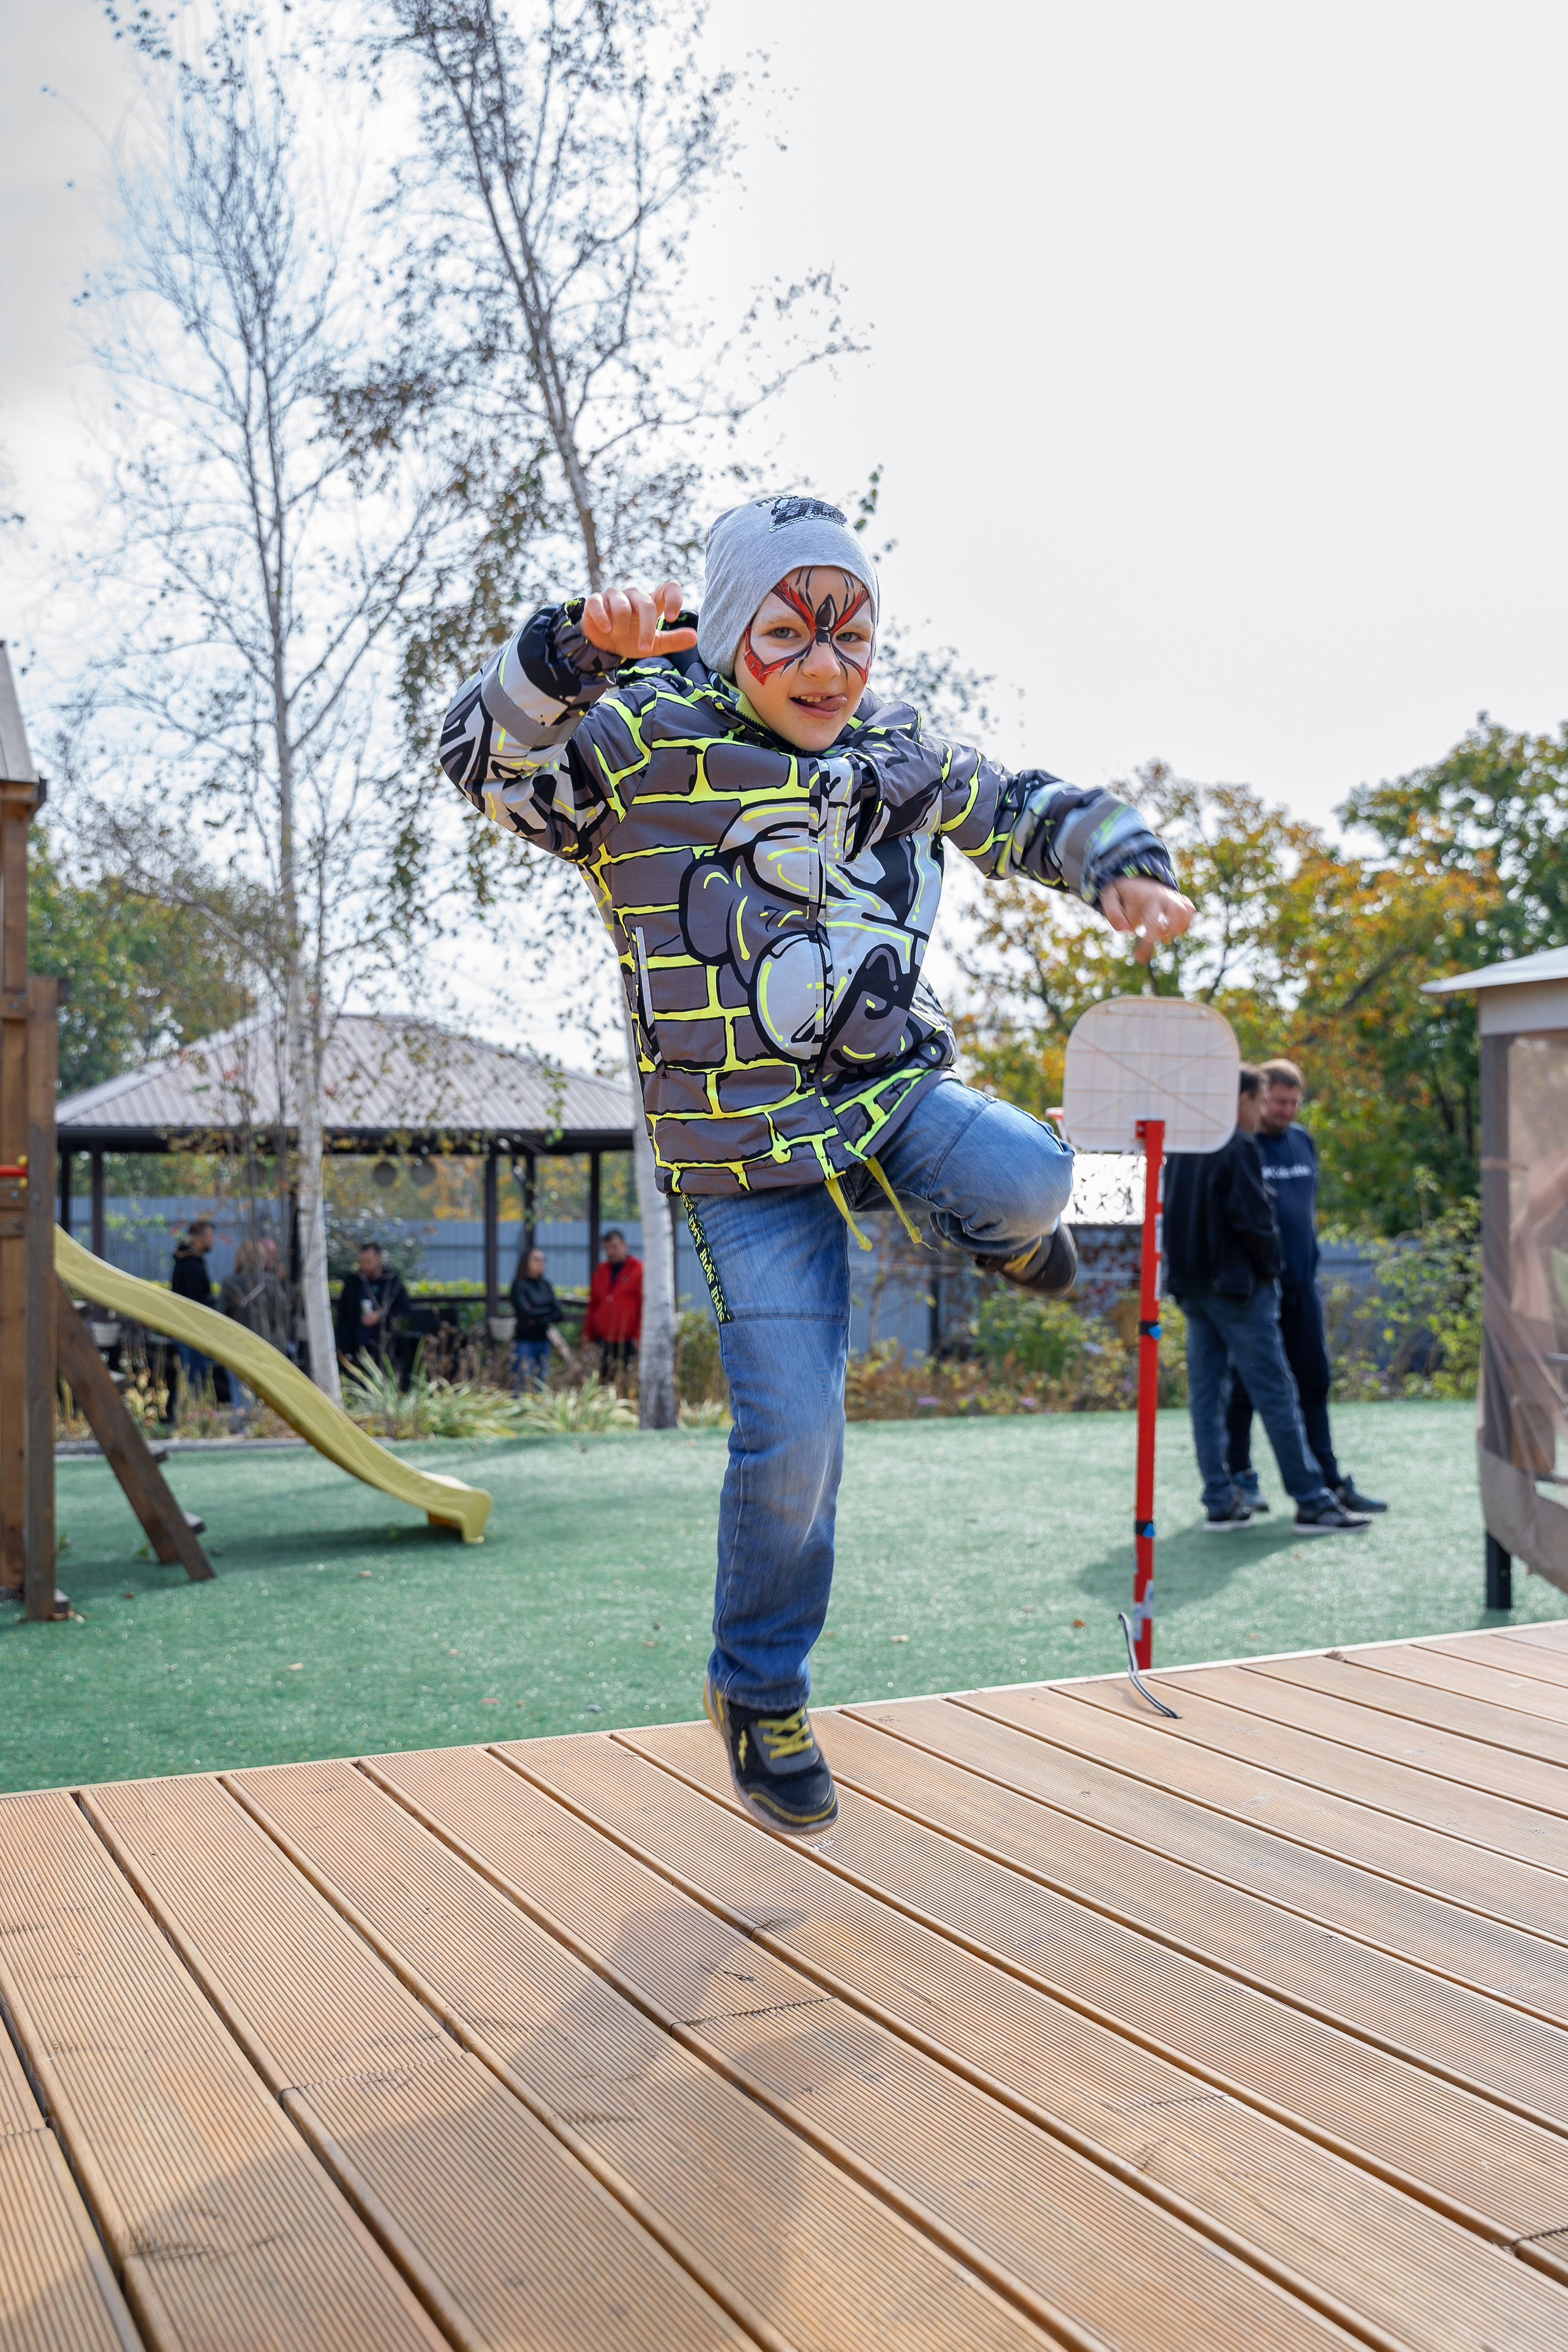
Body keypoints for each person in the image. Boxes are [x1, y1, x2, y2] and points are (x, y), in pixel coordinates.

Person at [439, 492, 1193, 1834]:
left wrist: (1117, 862)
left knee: (1034, 1178)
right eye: (789, 636)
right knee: (794, 1433)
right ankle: (759, 1688)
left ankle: (1009, 1233)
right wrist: (564, 653)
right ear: (730, 637)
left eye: (852, 639)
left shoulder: (892, 755)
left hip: (886, 1086)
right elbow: (484, 768)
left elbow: (1017, 805)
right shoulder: (645, 741)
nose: (826, 670)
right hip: (739, 1153)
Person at [1164, 1068, 1370, 1537]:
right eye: (1261, 1101)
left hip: (1193, 1289)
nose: (1264, 1112)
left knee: (1206, 1398)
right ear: (1241, 1100)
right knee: (1278, 1394)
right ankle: (1312, 1501)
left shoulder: (1182, 1147)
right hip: (1240, 1291)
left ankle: (1220, 1500)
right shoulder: (1237, 1146)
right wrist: (1273, 1269)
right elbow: (1256, 1223)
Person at [1226, 1057, 1385, 1515]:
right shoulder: (1240, 1144)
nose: (1287, 1111)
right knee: (1243, 1389)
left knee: (1313, 1382)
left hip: (1302, 1287)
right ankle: (1241, 1480)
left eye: (1295, 1103)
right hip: (1256, 1291)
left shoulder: (1302, 1142)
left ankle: (1329, 1481)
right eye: (1278, 1101)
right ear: (1258, 1099)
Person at [334, 1240, 409, 1371]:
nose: (364, 1266)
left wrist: (381, 1316)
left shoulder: (391, 1281)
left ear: (379, 1259)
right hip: (355, 1347)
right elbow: (343, 1313)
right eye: (362, 1261)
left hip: (384, 1346)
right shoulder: (354, 1281)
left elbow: (405, 1309)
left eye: (369, 1261)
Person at [582, 1229, 642, 1384]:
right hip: (602, 1340)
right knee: (602, 1383)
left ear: (624, 1246)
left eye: (614, 1247)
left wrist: (638, 1336)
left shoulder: (638, 1270)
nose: (611, 1252)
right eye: (607, 1248)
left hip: (628, 1341)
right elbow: (594, 1304)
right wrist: (587, 1335)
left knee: (626, 1385)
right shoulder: (601, 1271)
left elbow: (643, 1306)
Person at [170, 1219, 219, 1404]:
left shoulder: (188, 1261)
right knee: (193, 1375)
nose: (212, 1242)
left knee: (191, 1374)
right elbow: (196, 1299)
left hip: (189, 1328)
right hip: (191, 1329)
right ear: (200, 1238)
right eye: (210, 1237)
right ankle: (189, 1414)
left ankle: (188, 1413)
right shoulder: (190, 1264)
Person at [510, 1244, 567, 1389]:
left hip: (543, 1340)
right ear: (526, 1262)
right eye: (536, 1259)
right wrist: (546, 1311)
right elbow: (525, 1313)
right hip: (524, 1341)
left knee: (542, 1384)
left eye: (543, 1259)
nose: (541, 1262)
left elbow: (558, 1313)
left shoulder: (545, 1285)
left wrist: (535, 1316)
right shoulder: (519, 1285)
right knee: (523, 1382)